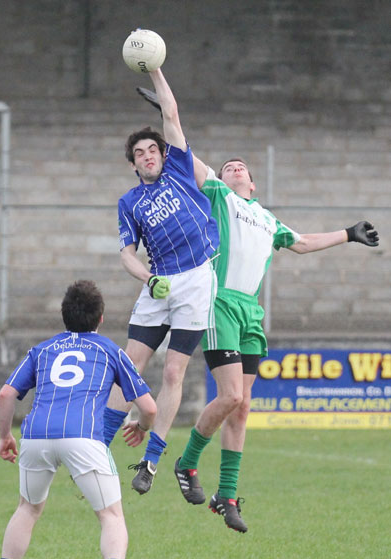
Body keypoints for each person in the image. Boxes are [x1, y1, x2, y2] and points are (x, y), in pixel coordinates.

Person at [135, 86, 380, 532]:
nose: (232, 168)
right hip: (221, 304)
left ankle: (226, 496)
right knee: (229, 396)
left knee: (242, 406)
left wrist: (348, 233)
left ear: (253, 183)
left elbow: (303, 243)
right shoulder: (216, 196)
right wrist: (169, 116)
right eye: (227, 166)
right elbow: (184, 148)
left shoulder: (267, 219)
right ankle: (186, 464)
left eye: (239, 167)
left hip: (251, 314)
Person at [0, 280, 156, 559]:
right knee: (110, 516)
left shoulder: (43, 350)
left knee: (27, 509)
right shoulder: (110, 350)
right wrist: (142, 426)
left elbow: (6, 394)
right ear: (101, 318)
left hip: (36, 435)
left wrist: (5, 436)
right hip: (83, 436)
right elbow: (150, 407)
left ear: (64, 317)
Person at [102, 68, 219, 496]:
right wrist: (148, 278)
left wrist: (154, 66)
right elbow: (126, 255)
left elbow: (170, 109)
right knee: (130, 367)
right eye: (141, 152)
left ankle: (150, 463)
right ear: (132, 163)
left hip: (195, 282)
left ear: (163, 155)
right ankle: (97, 448)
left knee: (173, 372)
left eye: (154, 149)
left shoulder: (181, 170)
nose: (149, 155)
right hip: (160, 284)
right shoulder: (129, 202)